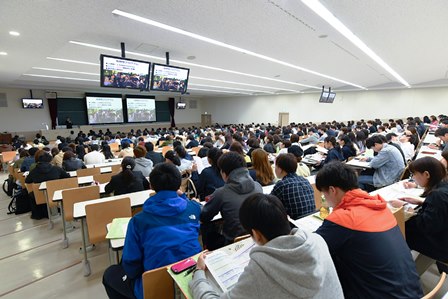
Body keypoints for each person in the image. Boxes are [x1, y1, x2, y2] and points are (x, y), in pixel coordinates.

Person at [189, 193, 344, 299]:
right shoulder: (317, 241)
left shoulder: (261, 269)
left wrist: (199, 272)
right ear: (286, 218)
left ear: (256, 234)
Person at [315, 161, 423, 298]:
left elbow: (310, 250)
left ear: (332, 190)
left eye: (324, 194)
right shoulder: (380, 206)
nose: (325, 199)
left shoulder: (344, 218)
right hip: (414, 292)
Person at [103, 163, 202, 299]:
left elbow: (131, 265)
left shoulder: (138, 221)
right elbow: (193, 206)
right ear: (179, 185)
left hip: (154, 287)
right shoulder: (194, 208)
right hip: (192, 277)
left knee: (110, 274)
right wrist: (183, 196)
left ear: (151, 186)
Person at [397, 157, 448, 275]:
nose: (413, 178)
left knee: (400, 229)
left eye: (414, 174)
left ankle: (403, 271)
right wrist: (422, 202)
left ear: (426, 174)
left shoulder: (437, 195)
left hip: (441, 244)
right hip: (443, 234)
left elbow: (426, 227)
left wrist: (405, 208)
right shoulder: (443, 186)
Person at [201, 152, 263, 248]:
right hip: (257, 239)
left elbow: (204, 216)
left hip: (233, 244)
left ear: (224, 174)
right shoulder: (258, 186)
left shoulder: (221, 193)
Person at [25, 152, 71, 219]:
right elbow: (67, 177)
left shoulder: (34, 171)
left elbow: (27, 181)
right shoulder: (57, 169)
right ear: (50, 160)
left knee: (31, 194)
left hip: (41, 196)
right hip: (57, 195)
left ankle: (37, 214)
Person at [271, 154, 315, 219]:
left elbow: (268, 203)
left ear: (280, 169)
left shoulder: (282, 185)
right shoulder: (305, 181)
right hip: (310, 219)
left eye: (275, 166)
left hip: (293, 224)